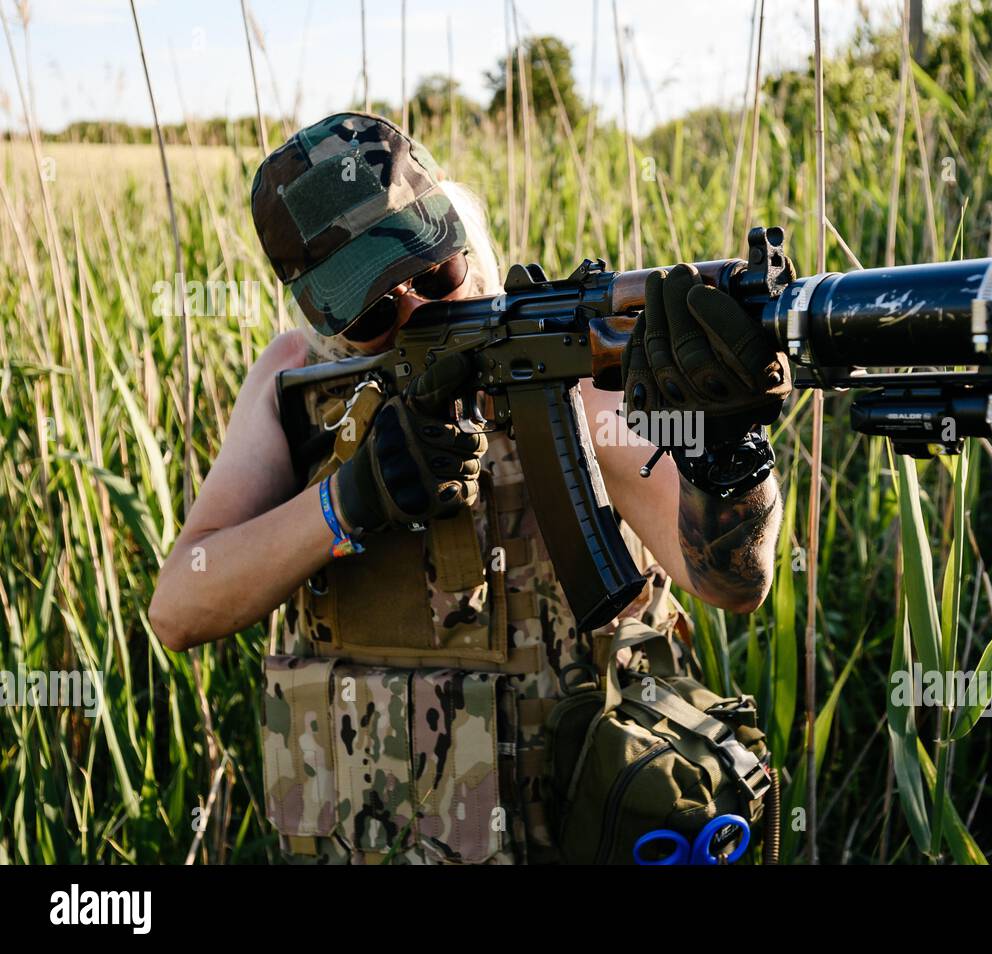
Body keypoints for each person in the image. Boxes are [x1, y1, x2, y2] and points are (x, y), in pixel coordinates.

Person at [148, 111, 789, 864]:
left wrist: (728, 454)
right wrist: (347, 502)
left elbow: (732, 582)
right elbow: (177, 610)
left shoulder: (572, 370)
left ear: (458, 228)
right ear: (323, 321)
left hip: (564, 830)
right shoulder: (295, 384)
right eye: (376, 313)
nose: (420, 311)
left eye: (434, 272)